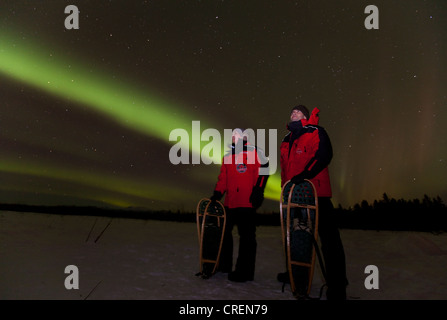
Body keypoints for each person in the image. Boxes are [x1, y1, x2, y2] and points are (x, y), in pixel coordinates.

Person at [278, 105, 348, 300]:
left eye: (298, 112)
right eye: (291, 111)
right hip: (294, 196)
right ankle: (295, 273)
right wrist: (286, 190)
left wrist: (306, 175)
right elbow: (285, 169)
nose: (293, 113)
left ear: (306, 116)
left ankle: (337, 285)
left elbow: (324, 155)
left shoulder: (316, 131)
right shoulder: (286, 139)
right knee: (296, 237)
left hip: (316, 193)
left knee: (329, 241)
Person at [210, 128, 269, 282]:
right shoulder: (228, 156)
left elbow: (265, 169)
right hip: (230, 202)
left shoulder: (254, 152)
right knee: (224, 233)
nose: (234, 136)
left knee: (247, 237)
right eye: (233, 135)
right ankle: (224, 264)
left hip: (247, 202)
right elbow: (223, 177)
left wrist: (258, 191)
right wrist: (218, 192)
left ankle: (245, 272)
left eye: (237, 134)